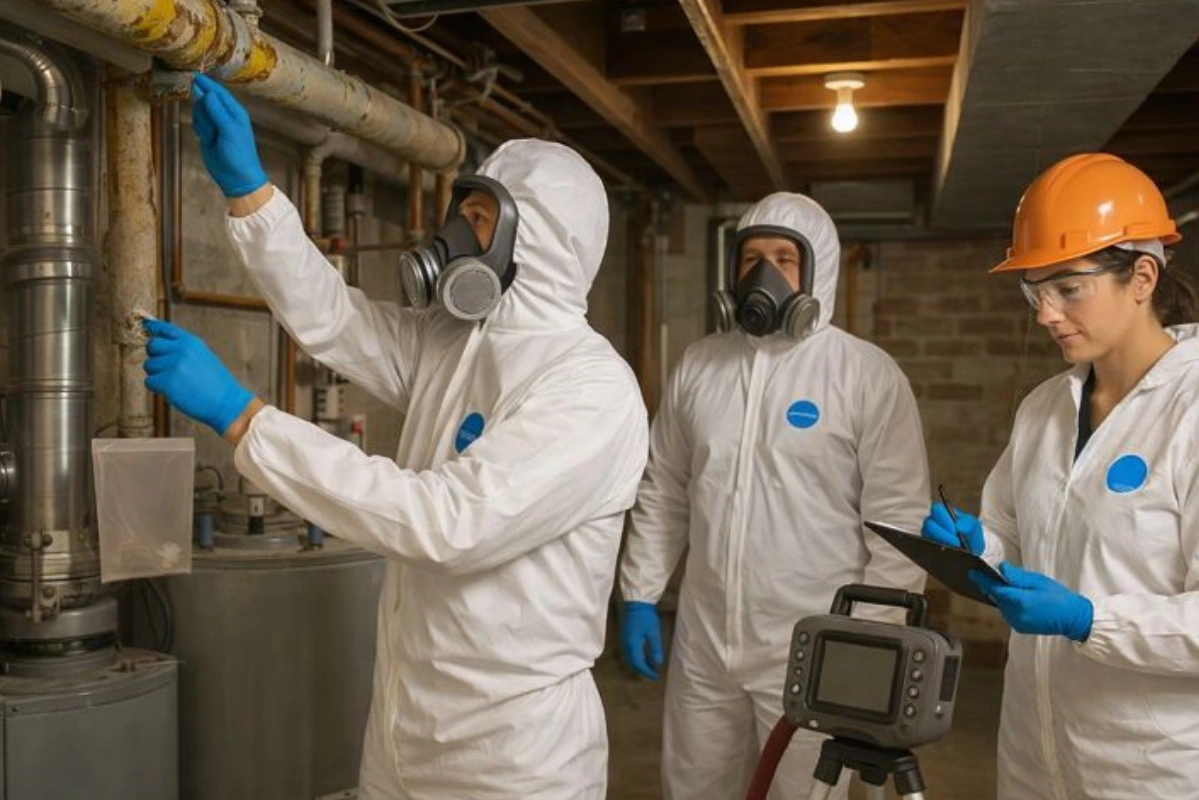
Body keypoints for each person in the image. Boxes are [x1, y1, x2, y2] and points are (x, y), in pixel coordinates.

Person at [144, 73, 648, 800]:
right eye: (463, 211)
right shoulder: (455, 343)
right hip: (403, 734)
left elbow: (447, 523)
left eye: (476, 218)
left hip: (512, 765)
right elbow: (337, 322)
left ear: (528, 241)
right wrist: (252, 197)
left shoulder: (589, 390)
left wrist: (244, 417)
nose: (447, 237)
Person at [617, 191, 930, 800]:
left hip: (811, 647)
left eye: (786, 259)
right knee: (693, 787)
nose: (765, 274)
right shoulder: (700, 366)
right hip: (706, 641)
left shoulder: (863, 374)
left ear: (819, 270)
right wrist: (639, 593)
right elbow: (666, 488)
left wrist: (867, 647)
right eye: (751, 257)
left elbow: (898, 522)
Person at [920, 153, 1199, 799]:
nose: (1045, 313)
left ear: (1142, 276)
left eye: (1068, 288)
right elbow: (1015, 543)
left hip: (1150, 769)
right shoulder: (1045, 407)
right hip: (1032, 749)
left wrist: (1087, 619)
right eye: (1034, 291)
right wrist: (976, 548)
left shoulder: (1189, 410)